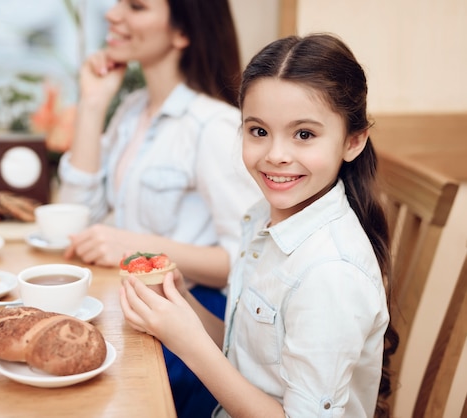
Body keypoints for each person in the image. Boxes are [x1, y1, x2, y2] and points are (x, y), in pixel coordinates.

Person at [119, 33, 399, 417]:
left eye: (304, 134)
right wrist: (184, 305)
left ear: (353, 142)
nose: (276, 155)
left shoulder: (331, 273)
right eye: (259, 131)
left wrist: (189, 345)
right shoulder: (260, 218)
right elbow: (250, 356)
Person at [57, 0, 259, 416]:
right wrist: (92, 105)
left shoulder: (215, 127)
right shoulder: (131, 110)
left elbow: (246, 260)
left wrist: (138, 246)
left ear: (182, 32)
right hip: (136, 305)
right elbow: (74, 220)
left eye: (137, 6)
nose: (113, 15)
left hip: (192, 317)